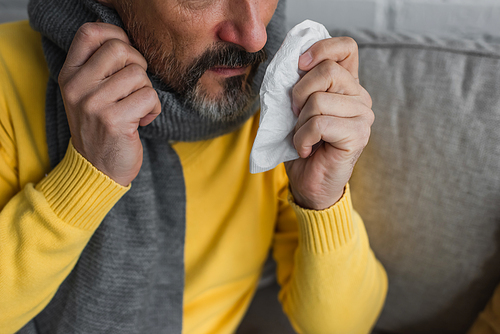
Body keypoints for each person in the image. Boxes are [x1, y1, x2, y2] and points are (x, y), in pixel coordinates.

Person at [0, 0, 387, 333]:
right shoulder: (6, 78)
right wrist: (86, 178)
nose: (254, 36)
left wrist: (321, 197)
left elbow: (343, 325)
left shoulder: (282, 107)